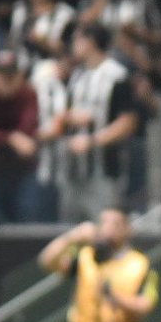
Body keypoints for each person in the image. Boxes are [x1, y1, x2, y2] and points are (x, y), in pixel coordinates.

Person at [37, 207, 159, 322]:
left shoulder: (140, 264)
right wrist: (72, 237)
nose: (108, 229)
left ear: (127, 229)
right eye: (104, 223)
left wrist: (114, 296)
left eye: (115, 224)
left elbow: (146, 305)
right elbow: (46, 261)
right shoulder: (86, 255)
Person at [61, 22, 138, 221]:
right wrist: (70, 117)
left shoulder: (116, 75)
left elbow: (128, 121)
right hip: (74, 167)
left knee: (103, 223)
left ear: (91, 42)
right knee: (72, 226)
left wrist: (93, 141)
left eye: (78, 40)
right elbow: (68, 113)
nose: (73, 45)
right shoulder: (77, 75)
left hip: (104, 167)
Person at [0, 51, 41, 225]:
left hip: (22, 170)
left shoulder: (28, 94)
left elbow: (28, 127)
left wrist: (15, 138)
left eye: (11, 76)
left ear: (19, 76)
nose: (6, 82)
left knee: (26, 219)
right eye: (1, 76)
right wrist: (10, 138)